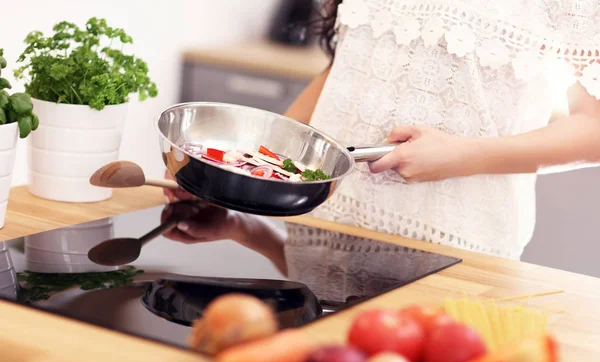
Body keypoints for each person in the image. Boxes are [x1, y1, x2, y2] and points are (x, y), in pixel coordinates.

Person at [164, 0, 600, 262]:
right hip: (321, 241)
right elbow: (347, 71)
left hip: (456, 257)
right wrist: (240, 189)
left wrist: (462, 155)